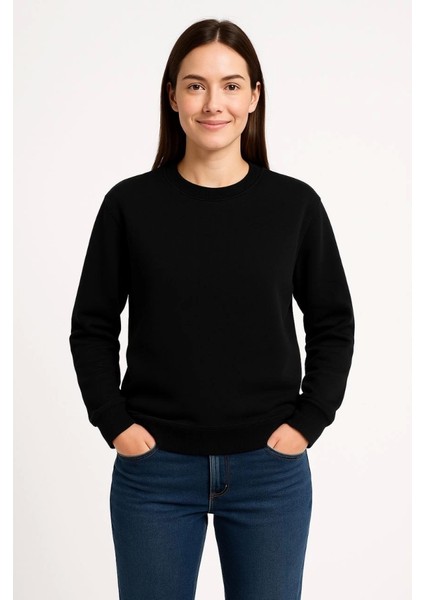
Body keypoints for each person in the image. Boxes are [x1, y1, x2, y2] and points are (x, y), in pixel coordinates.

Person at [69, 18, 355, 600]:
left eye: (231, 85)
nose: (213, 103)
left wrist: (310, 420)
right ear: (172, 96)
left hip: (269, 472)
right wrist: (114, 422)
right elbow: (92, 325)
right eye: (195, 85)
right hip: (155, 471)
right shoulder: (130, 205)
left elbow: (333, 321)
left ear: (254, 97)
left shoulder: (294, 205)